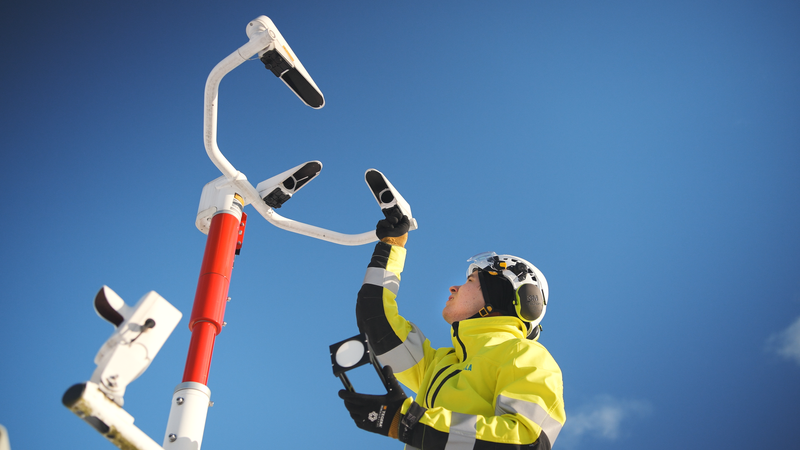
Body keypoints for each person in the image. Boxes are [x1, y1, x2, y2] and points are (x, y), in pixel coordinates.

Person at [339, 208, 566, 449]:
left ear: (498, 299)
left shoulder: (525, 356)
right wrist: (391, 246)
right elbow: (376, 321)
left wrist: (408, 422)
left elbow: (527, 441)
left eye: (470, 281)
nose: (453, 288)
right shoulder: (439, 365)